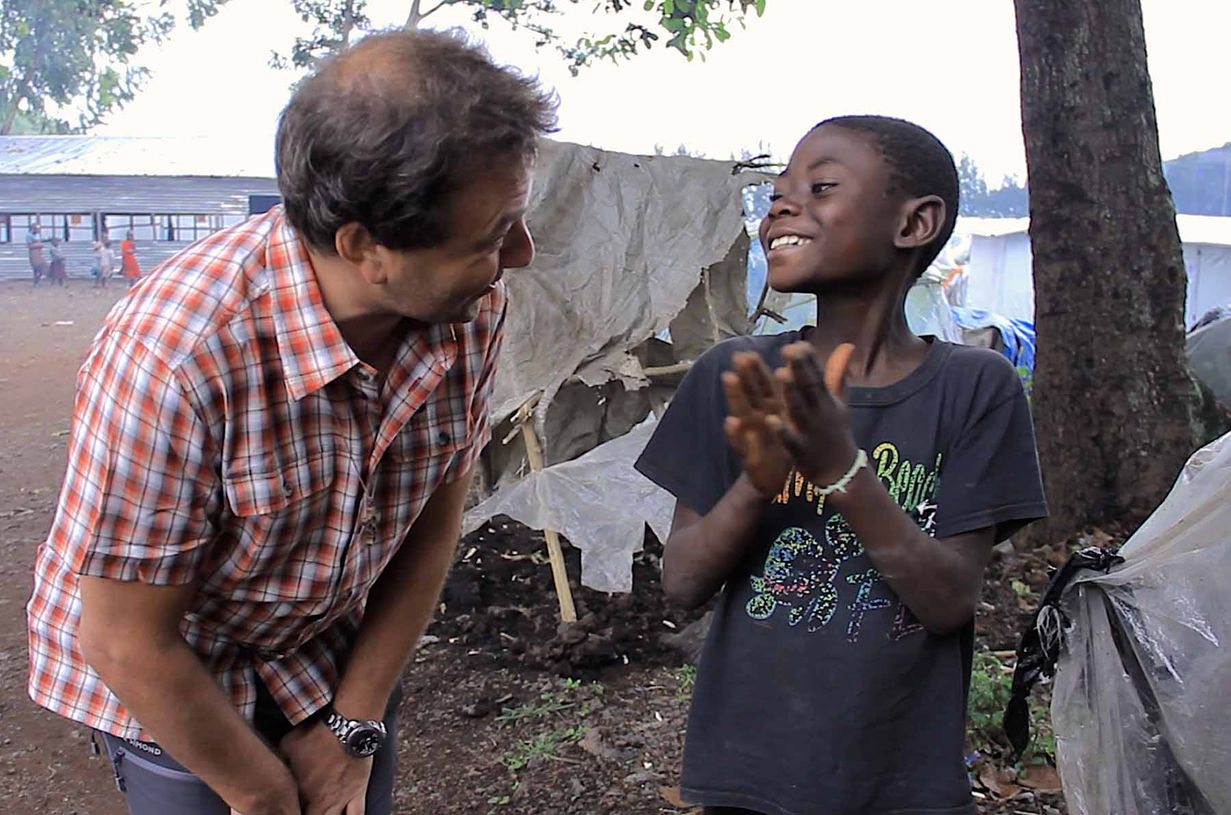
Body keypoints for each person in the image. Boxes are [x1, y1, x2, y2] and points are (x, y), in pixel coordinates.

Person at [27, 29, 556, 815]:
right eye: (489, 236)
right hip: (177, 673)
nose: (520, 253)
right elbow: (127, 638)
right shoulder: (180, 354)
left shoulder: (467, 307)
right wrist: (261, 793)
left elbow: (435, 513)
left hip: (330, 654)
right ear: (364, 247)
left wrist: (355, 721)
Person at [635, 116, 1048, 815]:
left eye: (819, 185)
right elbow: (681, 581)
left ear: (914, 223)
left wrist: (840, 470)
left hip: (899, 782)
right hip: (747, 776)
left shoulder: (975, 388)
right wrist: (757, 482)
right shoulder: (734, 375)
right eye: (777, 192)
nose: (781, 204)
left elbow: (948, 599)